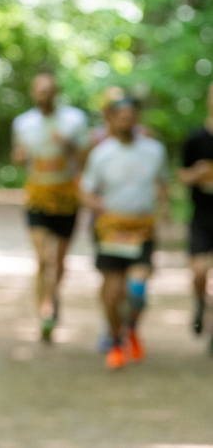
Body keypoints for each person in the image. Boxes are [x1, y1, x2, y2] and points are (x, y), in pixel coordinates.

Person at [80, 97, 169, 369]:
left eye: (131, 115)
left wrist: (165, 210)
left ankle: (131, 327)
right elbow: (86, 190)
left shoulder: (154, 151)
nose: (126, 120)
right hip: (111, 229)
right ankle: (116, 340)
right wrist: (97, 206)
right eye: (121, 116)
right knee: (112, 288)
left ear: (137, 118)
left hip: (141, 229)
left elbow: (163, 184)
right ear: (112, 119)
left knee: (137, 289)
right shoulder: (101, 154)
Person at [12, 72, 89, 343]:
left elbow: (86, 156)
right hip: (38, 195)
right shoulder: (23, 123)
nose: (45, 96)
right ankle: (44, 312)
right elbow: (18, 156)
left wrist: (67, 146)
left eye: (49, 91)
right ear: (33, 93)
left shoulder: (75, 120)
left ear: (57, 92)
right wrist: (21, 158)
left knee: (60, 261)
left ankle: (53, 296)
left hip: (67, 195)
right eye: (40, 91)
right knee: (43, 258)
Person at [177, 81, 213, 353]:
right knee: (199, 272)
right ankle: (200, 302)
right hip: (201, 216)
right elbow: (181, 176)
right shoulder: (195, 138)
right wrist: (196, 175)